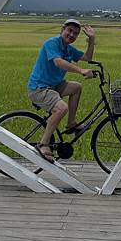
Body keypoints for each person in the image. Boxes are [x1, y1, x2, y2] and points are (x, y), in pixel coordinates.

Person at [27, 18, 95, 162]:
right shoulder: (51, 43)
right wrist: (81, 70)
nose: (71, 35)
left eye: (75, 33)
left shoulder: (69, 49)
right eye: (69, 31)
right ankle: (43, 144)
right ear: (62, 29)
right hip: (39, 88)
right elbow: (58, 62)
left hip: (55, 86)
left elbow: (88, 57)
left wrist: (92, 39)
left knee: (76, 87)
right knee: (61, 108)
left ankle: (71, 123)